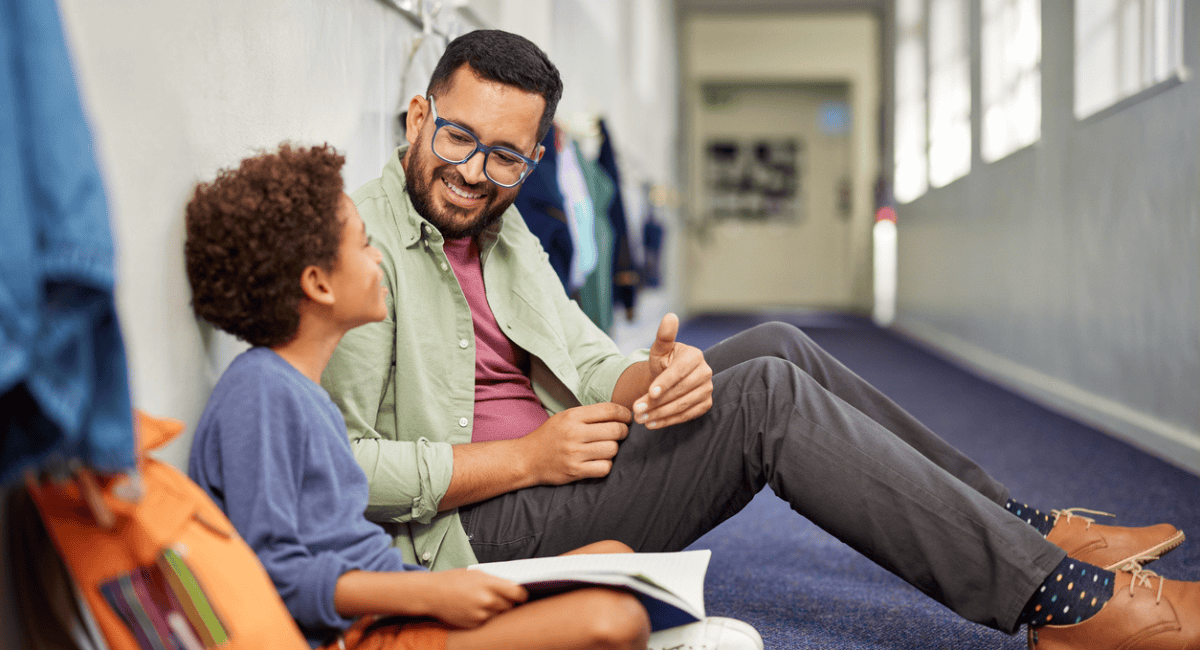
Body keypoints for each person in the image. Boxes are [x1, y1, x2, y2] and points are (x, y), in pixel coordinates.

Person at [321, 29, 1199, 649]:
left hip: (568, 460)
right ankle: (1060, 599)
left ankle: (1020, 526)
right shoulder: (360, 249)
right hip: (475, 532)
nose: (475, 173)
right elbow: (342, 473)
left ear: (534, 160)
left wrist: (651, 379)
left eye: (505, 156)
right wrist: (528, 462)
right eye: (458, 138)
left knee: (775, 343)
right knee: (768, 402)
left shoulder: (505, 229)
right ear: (415, 117)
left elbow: (585, 357)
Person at [182, 143, 764, 650]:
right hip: (360, 633)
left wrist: (429, 588)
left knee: (612, 555)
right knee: (609, 621)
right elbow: (280, 577)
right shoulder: (258, 395)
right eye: (364, 246)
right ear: (318, 284)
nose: (379, 256)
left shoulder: (297, 393)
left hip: (396, 598)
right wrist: (431, 591)